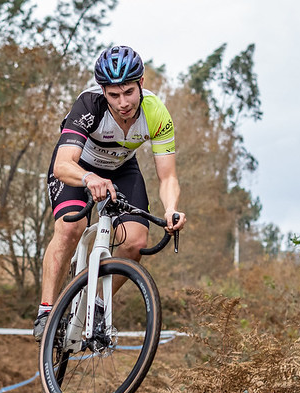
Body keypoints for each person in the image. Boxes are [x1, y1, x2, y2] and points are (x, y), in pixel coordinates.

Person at [33, 45, 186, 341]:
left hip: (121, 168)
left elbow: (168, 176)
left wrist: (171, 209)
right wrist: (89, 177)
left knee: (135, 242)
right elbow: (63, 164)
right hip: (79, 167)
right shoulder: (89, 105)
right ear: (103, 90)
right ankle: (46, 310)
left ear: (141, 83)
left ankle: (96, 303)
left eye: (128, 92)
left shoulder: (156, 114)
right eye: (113, 94)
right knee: (70, 227)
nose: (123, 102)